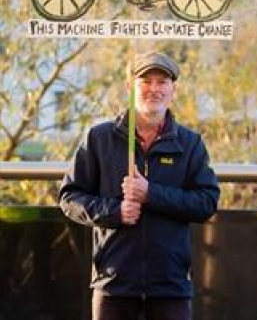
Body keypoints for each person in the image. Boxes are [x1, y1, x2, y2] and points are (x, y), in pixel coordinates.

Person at [59, 51, 220, 320]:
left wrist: (151, 194)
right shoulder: (99, 138)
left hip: (171, 288)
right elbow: (69, 197)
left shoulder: (190, 143)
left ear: (173, 90)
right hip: (113, 284)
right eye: (145, 81)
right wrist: (115, 212)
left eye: (162, 82)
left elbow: (206, 203)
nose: (154, 89)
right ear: (129, 87)